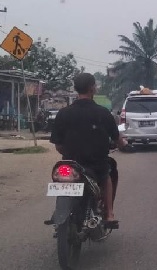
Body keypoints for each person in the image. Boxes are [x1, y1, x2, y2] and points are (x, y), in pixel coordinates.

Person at [49, 73, 127, 225]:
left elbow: (58, 145)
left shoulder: (63, 113)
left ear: (76, 89)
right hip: (96, 165)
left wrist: (69, 152)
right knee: (107, 176)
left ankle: (60, 212)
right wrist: (124, 144)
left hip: (70, 166)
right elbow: (117, 139)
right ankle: (109, 214)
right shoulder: (104, 113)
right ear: (93, 88)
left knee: (61, 177)